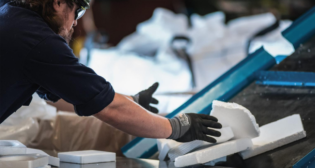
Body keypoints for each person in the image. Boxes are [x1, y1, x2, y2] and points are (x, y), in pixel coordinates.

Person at [0, 0, 222, 143]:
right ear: (58, 2)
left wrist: (132, 100)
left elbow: (71, 94)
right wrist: (176, 127)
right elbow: (108, 109)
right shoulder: (37, 40)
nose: (76, 22)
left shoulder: (11, 16)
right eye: (78, 10)